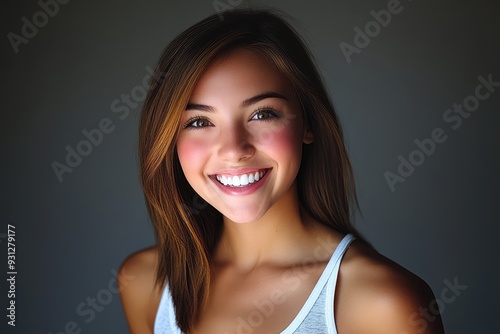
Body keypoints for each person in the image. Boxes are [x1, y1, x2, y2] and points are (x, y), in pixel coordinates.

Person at [118, 8, 445, 334]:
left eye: (262, 114)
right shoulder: (144, 282)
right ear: (170, 140)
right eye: (199, 122)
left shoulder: (382, 304)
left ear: (308, 123)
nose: (234, 149)